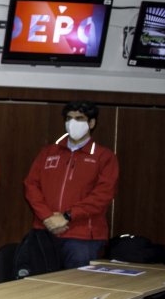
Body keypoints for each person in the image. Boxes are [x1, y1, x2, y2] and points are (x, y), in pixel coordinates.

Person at [23, 101, 119, 268]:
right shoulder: (48, 152)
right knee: (40, 288)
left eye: (79, 118)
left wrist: (67, 216)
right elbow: (31, 186)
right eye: (69, 118)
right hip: (45, 231)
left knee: (76, 290)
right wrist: (47, 217)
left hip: (82, 237)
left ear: (91, 123)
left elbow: (102, 195)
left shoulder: (104, 156)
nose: (73, 123)